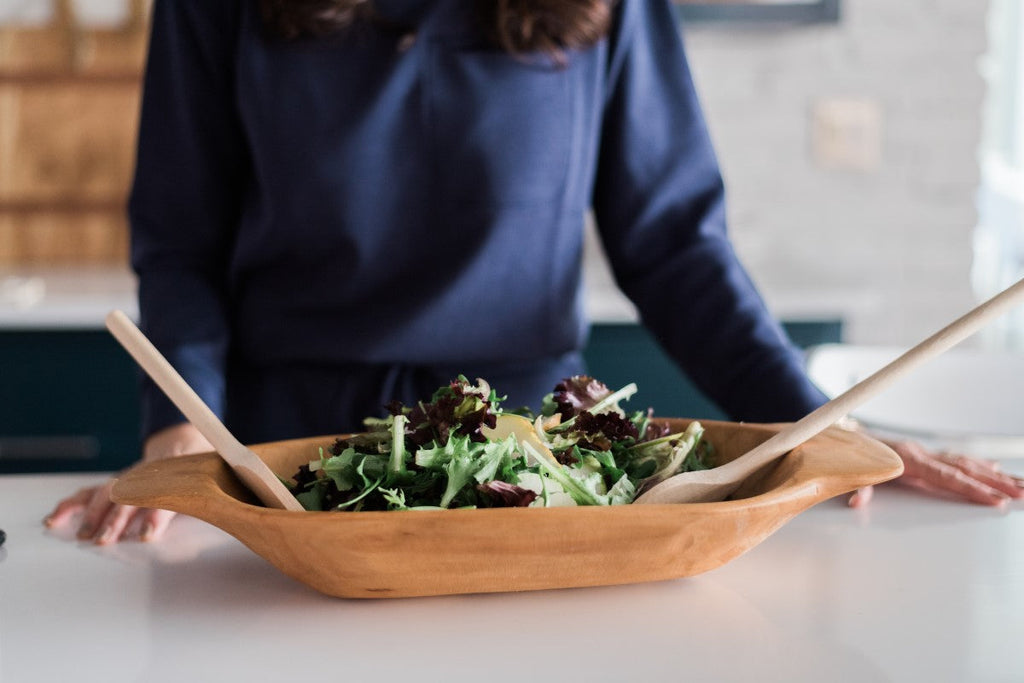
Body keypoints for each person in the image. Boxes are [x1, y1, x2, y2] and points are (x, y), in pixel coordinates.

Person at [46, 0, 1023, 544]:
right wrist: (180, 423)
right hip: (287, 465)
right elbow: (181, 240)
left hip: (532, 473)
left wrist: (817, 425)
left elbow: (673, 243)